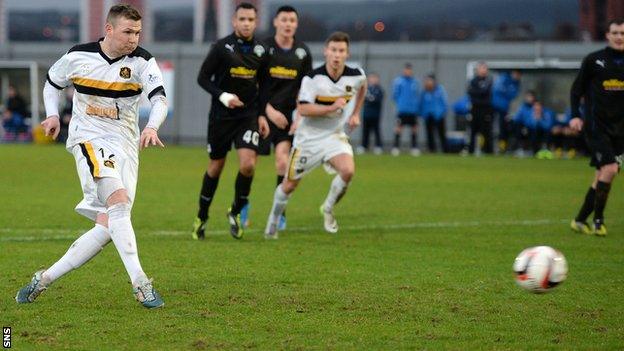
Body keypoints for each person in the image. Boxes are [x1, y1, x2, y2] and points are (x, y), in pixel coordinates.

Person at [15, 4, 167, 309]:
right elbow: (52, 83)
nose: (133, 39)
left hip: (126, 145)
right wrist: (53, 115)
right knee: (119, 203)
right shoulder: (78, 56)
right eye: (127, 32)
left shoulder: (142, 61)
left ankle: (43, 279)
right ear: (109, 29)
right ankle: (141, 283)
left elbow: (159, 98)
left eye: (137, 32)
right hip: (89, 140)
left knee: (108, 226)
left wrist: (151, 126)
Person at [263, 31, 366, 239]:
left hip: (334, 135)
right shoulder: (312, 78)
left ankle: (327, 208)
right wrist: (331, 108)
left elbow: (362, 87)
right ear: (326, 52)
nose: (337, 55)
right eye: (333, 50)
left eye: (341, 51)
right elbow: (303, 109)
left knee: (348, 171)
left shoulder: (356, 75)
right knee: (289, 185)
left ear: (347, 53)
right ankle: (273, 220)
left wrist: (355, 113)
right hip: (308, 138)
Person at [193, 2, 270, 240]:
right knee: (216, 167)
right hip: (221, 117)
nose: (246, 23)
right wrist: (224, 96)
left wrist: (262, 115)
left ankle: (235, 211)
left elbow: (264, 87)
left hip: (247, 117)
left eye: (250, 20)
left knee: (248, 165)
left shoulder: (261, 51)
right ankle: (202, 216)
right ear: (234, 21)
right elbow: (202, 78)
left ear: (255, 23)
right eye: (242, 19)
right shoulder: (220, 47)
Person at [250, 5, 312, 231]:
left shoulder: (302, 53)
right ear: (276, 22)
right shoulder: (263, 48)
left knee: (283, 162)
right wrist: (267, 111)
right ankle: (242, 205)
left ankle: (280, 211)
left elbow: (305, 91)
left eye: (292, 20)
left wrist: (299, 117)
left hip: (287, 119)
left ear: (296, 24)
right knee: (250, 164)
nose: (288, 24)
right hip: (262, 114)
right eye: (284, 19)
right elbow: (253, 84)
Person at [569, 18, 624, 236]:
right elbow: (576, 90)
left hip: (620, 130)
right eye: (615, 33)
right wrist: (575, 116)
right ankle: (599, 221)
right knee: (610, 169)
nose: (619, 37)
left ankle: (580, 220)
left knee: (602, 175)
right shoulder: (594, 60)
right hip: (596, 126)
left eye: (622, 33)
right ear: (607, 36)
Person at [391, 63, 420, 156]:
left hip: (413, 110)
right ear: (404, 70)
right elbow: (395, 95)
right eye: (406, 70)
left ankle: (414, 147)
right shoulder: (399, 81)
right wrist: (400, 104)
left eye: (409, 70)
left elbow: (417, 95)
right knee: (398, 128)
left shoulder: (415, 82)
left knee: (414, 128)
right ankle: (396, 147)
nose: (408, 72)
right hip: (402, 110)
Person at [467, 61, 494, 155]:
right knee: (473, 130)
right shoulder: (473, 81)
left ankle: (488, 151)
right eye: (481, 68)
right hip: (475, 109)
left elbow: (485, 93)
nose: (482, 70)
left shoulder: (489, 80)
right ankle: (470, 150)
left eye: (484, 68)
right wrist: (480, 93)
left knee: (486, 131)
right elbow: (471, 93)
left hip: (486, 109)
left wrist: (479, 93)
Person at [491, 70, 521, 153]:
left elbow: (513, 95)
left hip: (504, 108)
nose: (517, 76)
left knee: (503, 128)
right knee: (490, 126)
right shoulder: (504, 77)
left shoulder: (516, 84)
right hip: (493, 105)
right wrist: (507, 92)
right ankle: (489, 146)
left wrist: (506, 92)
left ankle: (502, 147)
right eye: (516, 74)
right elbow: (497, 88)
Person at [419, 74, 448, 153]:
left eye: (430, 81)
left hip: (439, 116)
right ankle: (432, 150)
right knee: (429, 134)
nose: (428, 83)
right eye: (427, 81)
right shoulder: (424, 92)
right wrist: (422, 114)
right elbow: (421, 104)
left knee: (441, 134)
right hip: (428, 116)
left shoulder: (440, 90)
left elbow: (444, 102)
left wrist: (442, 112)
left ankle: (445, 150)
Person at [358, 72, 384, 155]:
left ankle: (378, 146)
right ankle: (364, 146)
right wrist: (369, 98)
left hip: (375, 114)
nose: (373, 80)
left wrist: (370, 99)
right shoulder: (366, 89)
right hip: (366, 114)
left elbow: (377, 100)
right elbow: (362, 99)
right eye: (371, 78)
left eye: (375, 78)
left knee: (376, 131)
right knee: (365, 131)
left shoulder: (379, 89)